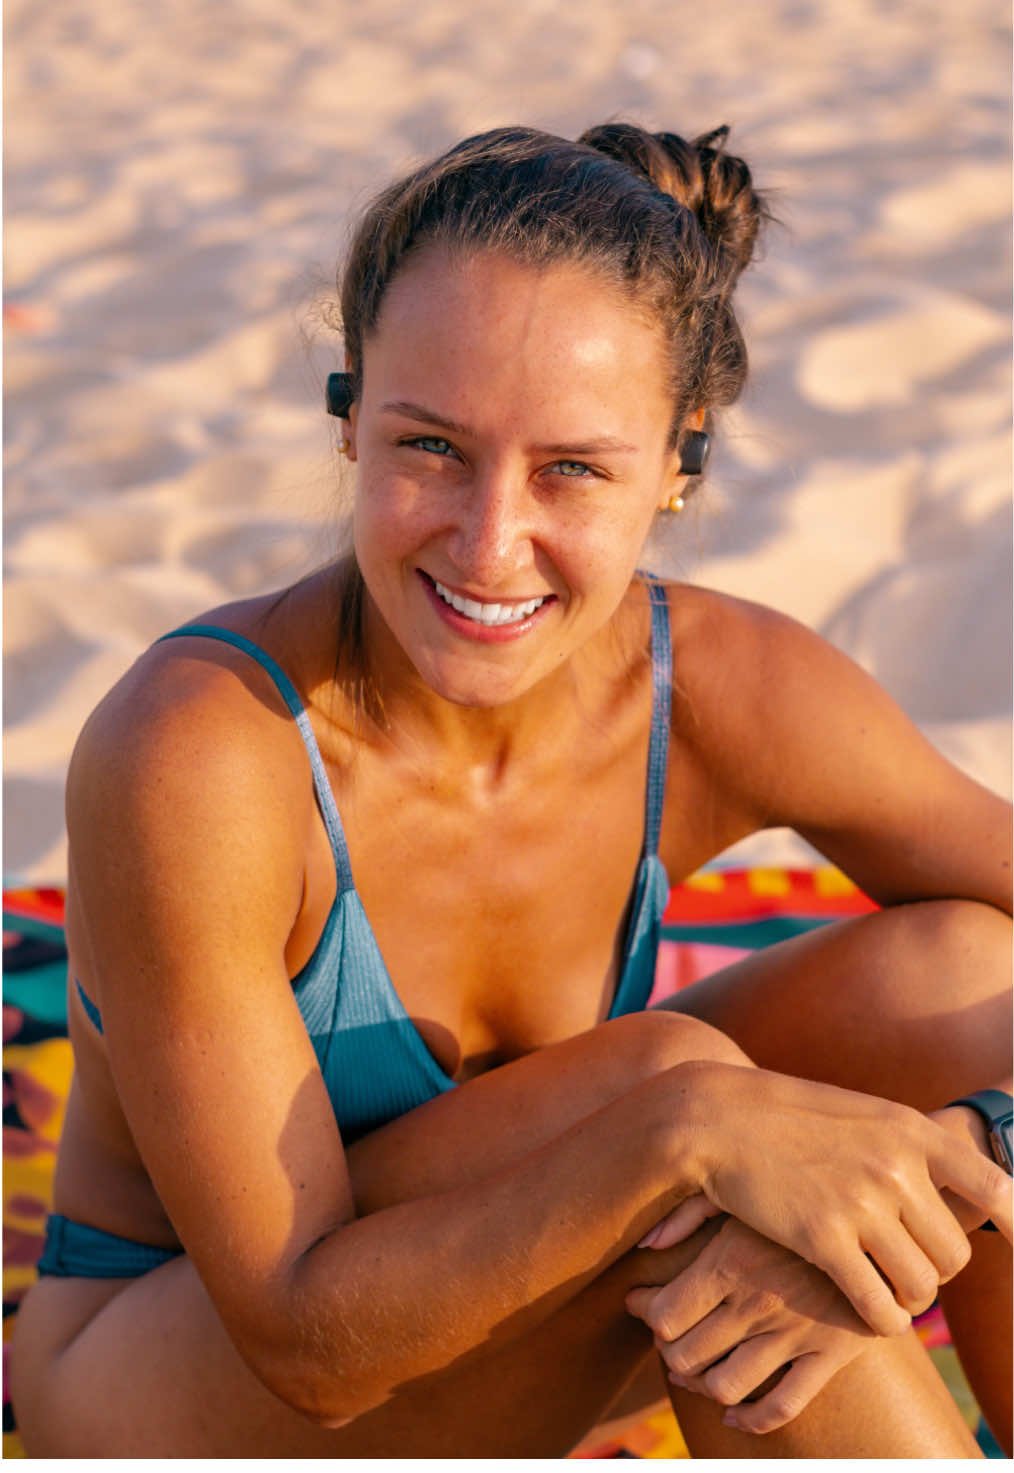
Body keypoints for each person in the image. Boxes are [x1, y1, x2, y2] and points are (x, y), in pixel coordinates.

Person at [10, 123, 1012, 1459]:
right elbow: (300, 1337)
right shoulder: (204, 747)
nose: (489, 544)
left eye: (571, 469)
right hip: (185, 1364)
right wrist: (686, 1132)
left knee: (958, 975)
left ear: (674, 464)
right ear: (351, 415)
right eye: (430, 445)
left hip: (538, 1279)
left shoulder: (717, 685)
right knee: (687, 1119)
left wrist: (977, 1139)